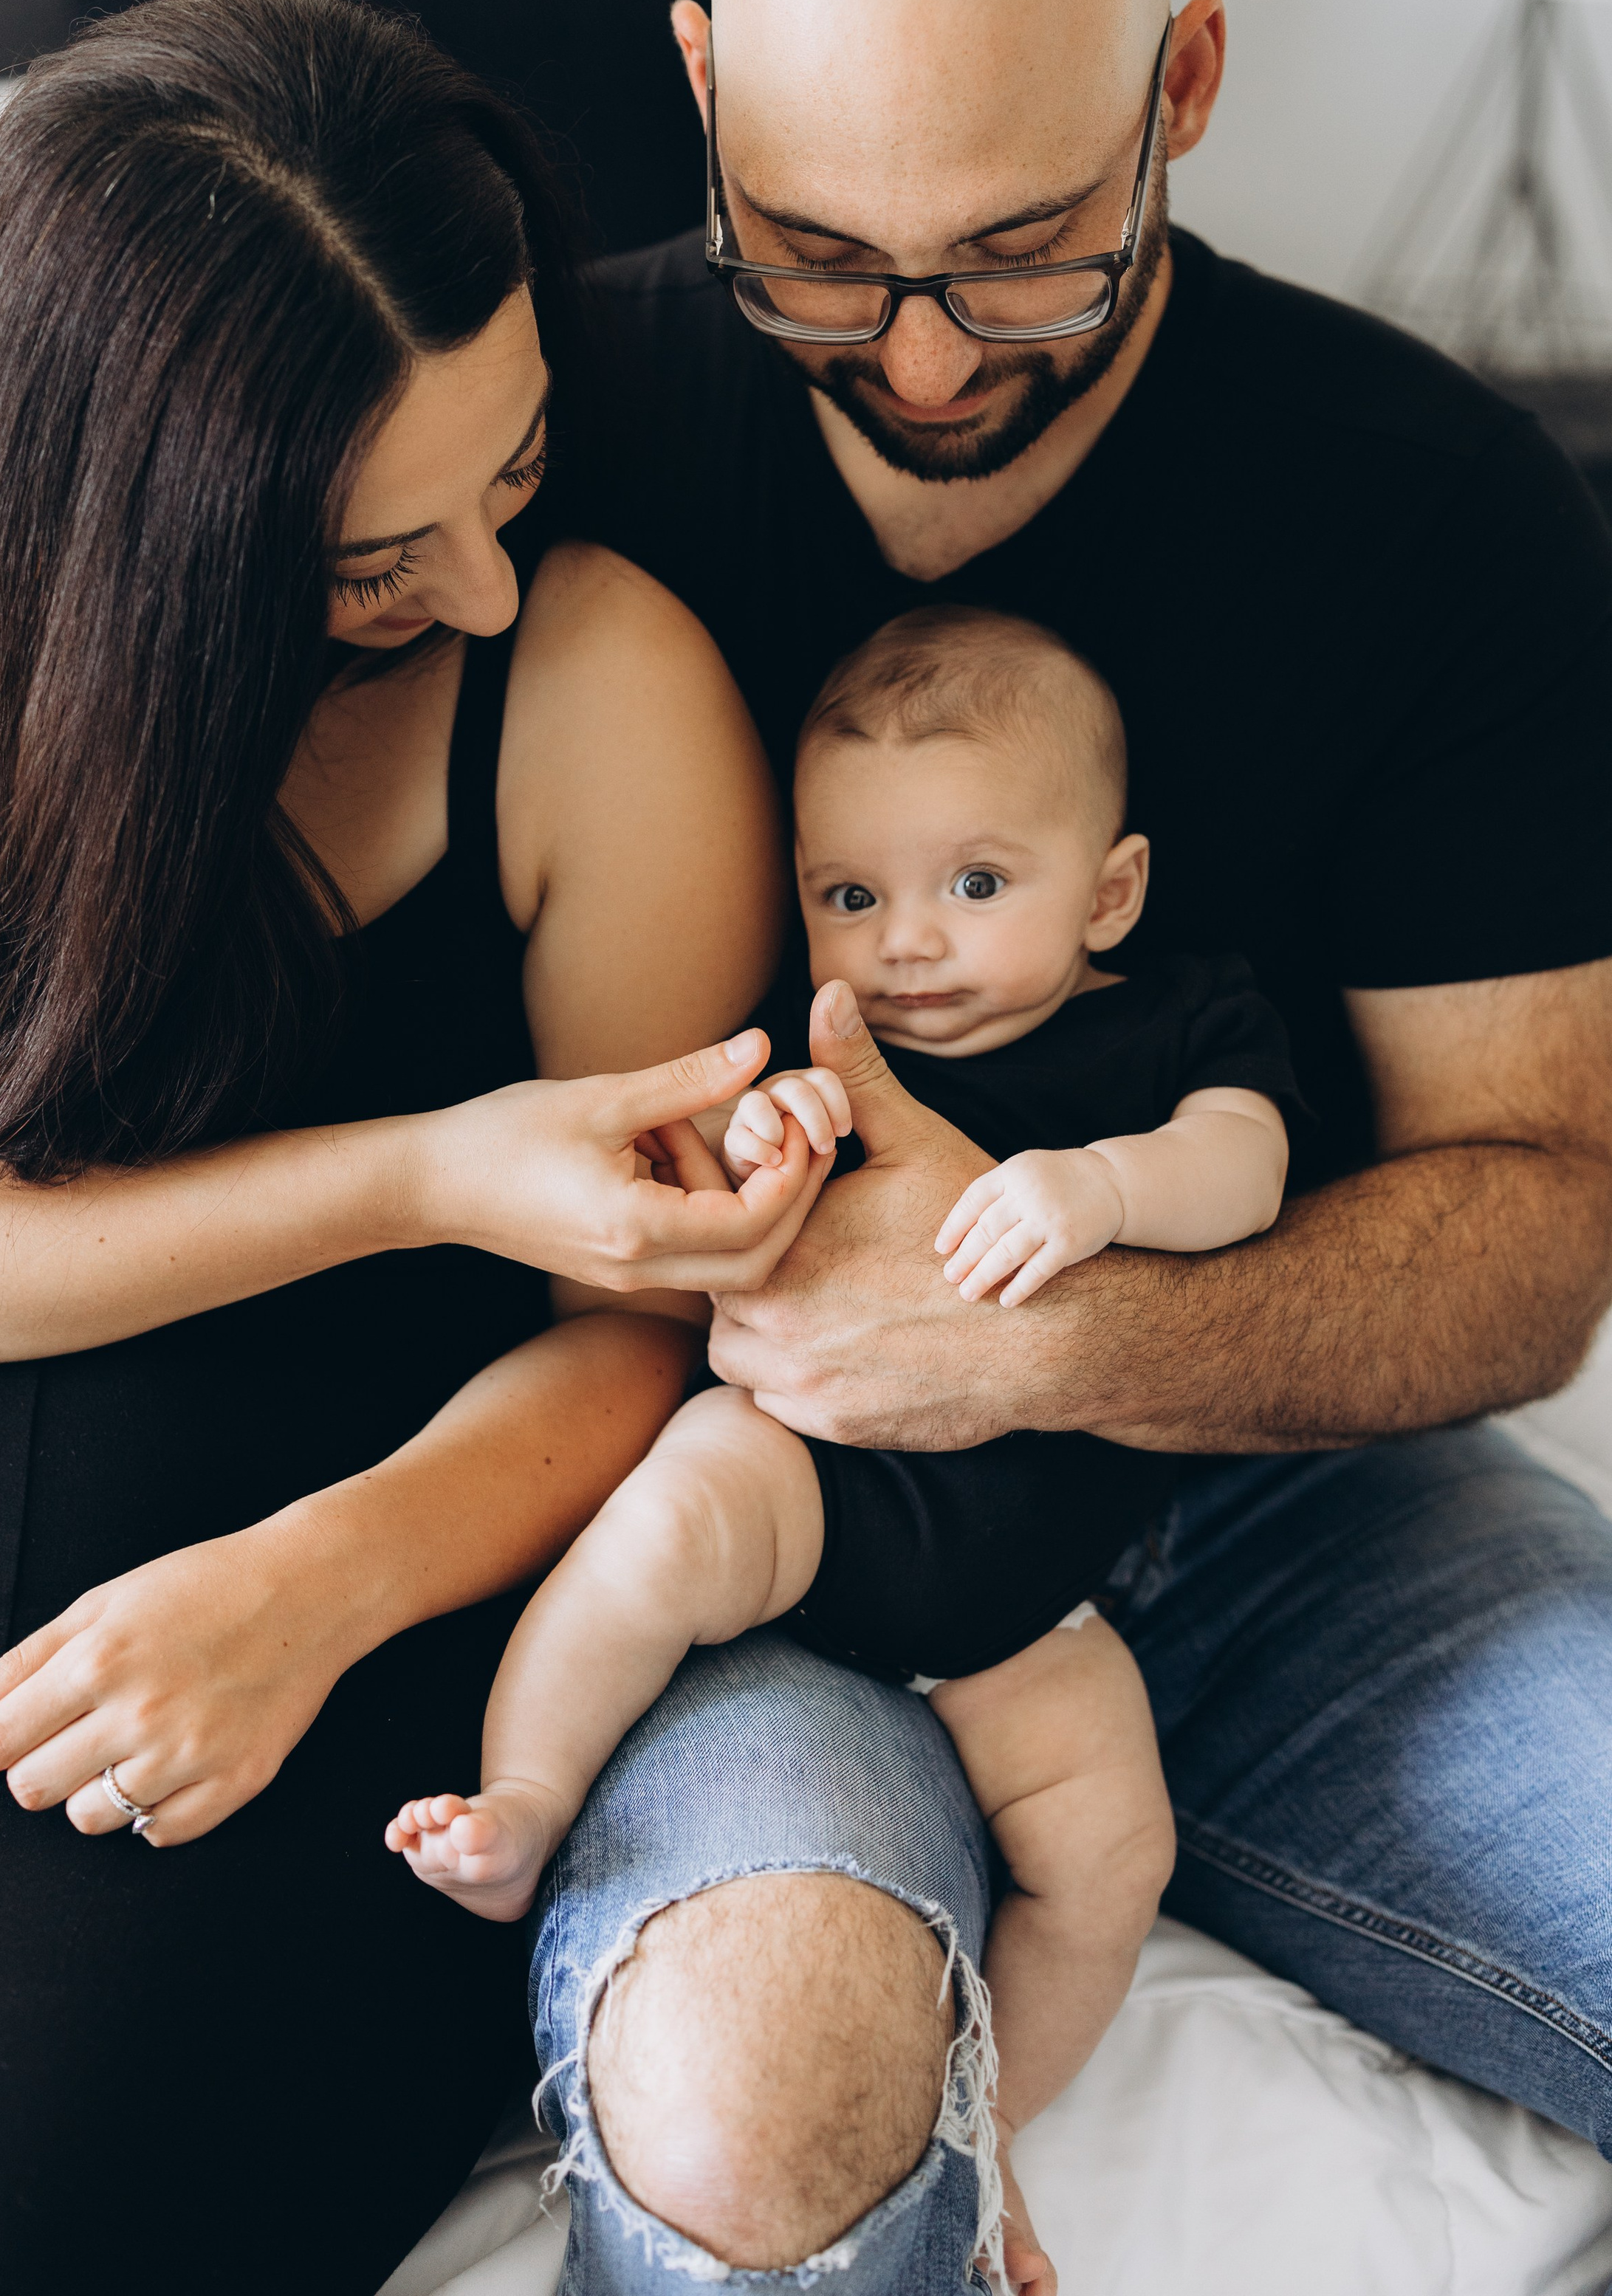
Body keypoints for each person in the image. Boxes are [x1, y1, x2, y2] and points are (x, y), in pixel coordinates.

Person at [524, 0, 1612, 2289]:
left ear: (1185, 88)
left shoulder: (1436, 510)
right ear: (700, 88)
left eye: (1027, 249)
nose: (916, 357)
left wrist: (1035, 1336)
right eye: (817, 249)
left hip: (1283, 1507)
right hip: (741, 1543)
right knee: (758, 2103)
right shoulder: (526, 441)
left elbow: (1549, 1229)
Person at [0, 0, 830, 2295]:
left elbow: (634, 1343)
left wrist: (309, 1589)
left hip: (281, 1669)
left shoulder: (595, 694)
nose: (481, 588)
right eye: (363, 554)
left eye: (508, 471)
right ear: (127, 531)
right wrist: (425, 1166)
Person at [388, 604, 1292, 2295]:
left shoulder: (1175, 1036)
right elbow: (710, 1174)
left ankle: (987, 2130)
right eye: (850, 896)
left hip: (1020, 1589)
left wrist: (1100, 1191)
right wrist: (762, 1131)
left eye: (974, 885)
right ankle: (522, 1794)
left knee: (1109, 1855)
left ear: (1107, 891)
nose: (906, 947)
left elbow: (1241, 1173)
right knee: (655, 1533)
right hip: (812, 1489)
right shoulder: (818, 1041)